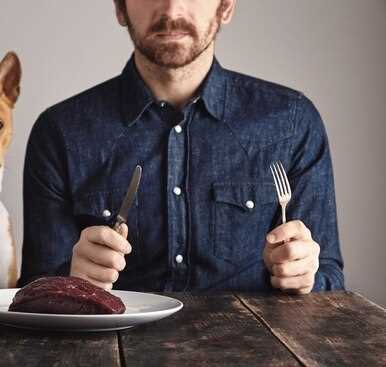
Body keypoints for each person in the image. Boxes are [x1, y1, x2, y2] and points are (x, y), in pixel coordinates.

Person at [19, 0, 344, 294]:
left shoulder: (292, 122)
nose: (172, 11)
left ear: (226, 7)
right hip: (112, 353)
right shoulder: (61, 131)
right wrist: (70, 280)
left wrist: (306, 276)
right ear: (120, 8)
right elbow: (35, 290)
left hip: (257, 354)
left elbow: (329, 279)